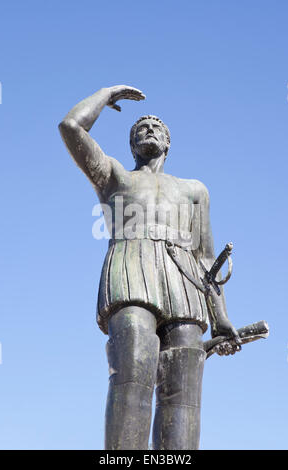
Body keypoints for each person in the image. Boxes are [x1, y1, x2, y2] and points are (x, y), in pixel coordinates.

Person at [59, 85, 240, 450]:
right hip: (131, 270)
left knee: (183, 392)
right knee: (132, 376)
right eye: (141, 127)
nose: (150, 129)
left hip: (184, 281)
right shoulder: (114, 177)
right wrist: (106, 95)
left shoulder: (194, 190)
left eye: (157, 126)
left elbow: (206, 258)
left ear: (169, 144)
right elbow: (70, 127)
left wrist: (221, 319)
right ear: (131, 144)